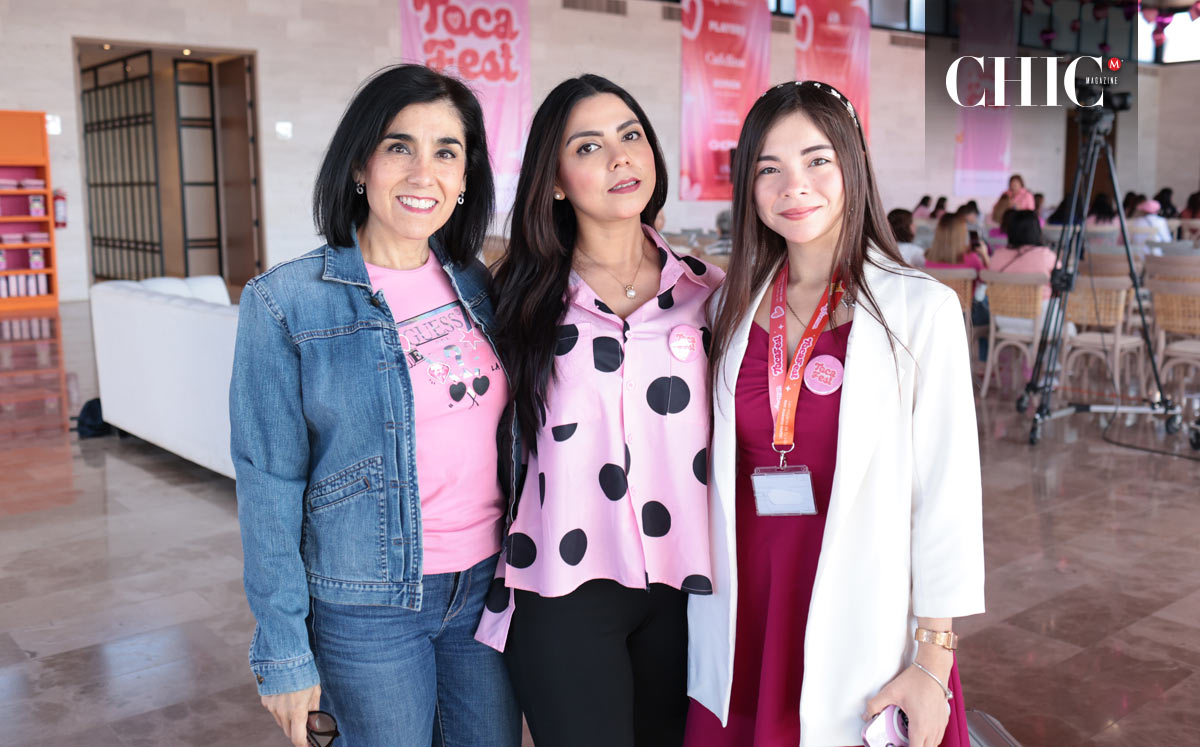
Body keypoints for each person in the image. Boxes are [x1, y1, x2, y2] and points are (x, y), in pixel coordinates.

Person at [229, 65, 521, 747]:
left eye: (446, 151)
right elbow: (268, 485)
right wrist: (283, 652)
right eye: (400, 147)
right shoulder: (286, 302)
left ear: (465, 176)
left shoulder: (478, 285)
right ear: (361, 163)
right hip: (367, 602)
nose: (424, 172)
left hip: (486, 588)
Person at [685, 80, 984, 747]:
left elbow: (946, 494)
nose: (795, 184)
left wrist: (934, 657)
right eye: (770, 168)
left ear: (852, 163)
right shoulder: (724, 311)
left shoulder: (917, 310)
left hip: (864, 606)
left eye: (817, 159)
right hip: (749, 608)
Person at [477, 74, 724, 747]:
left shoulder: (709, 292)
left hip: (688, 584)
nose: (619, 157)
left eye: (631, 136)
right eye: (588, 147)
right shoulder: (516, 302)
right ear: (554, 180)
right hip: (562, 587)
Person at [991, 210, 1057, 297]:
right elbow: (1059, 278)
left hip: (1003, 306)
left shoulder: (997, 255)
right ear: (1037, 230)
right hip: (1040, 306)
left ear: (1010, 231)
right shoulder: (1046, 255)